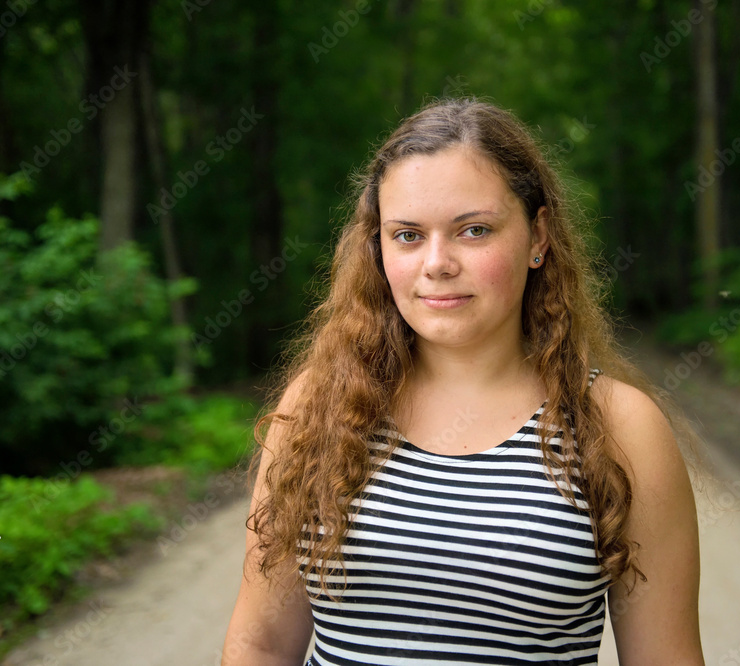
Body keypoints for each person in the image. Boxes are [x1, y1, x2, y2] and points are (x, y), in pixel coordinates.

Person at [222, 96, 706, 665]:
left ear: (538, 237)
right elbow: (259, 645)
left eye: (473, 230)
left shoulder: (620, 427)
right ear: (377, 247)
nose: (437, 262)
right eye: (406, 235)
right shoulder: (318, 404)